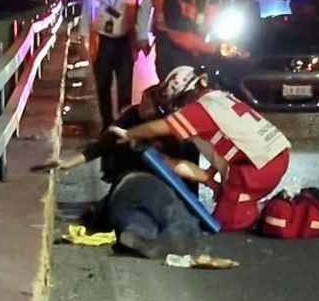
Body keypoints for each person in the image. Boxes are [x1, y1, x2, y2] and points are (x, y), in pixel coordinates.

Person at [32, 85, 201, 258]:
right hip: (144, 184)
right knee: (171, 212)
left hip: (126, 189)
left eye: (147, 104)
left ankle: (136, 234)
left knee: (133, 216)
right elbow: (101, 145)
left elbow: (100, 146)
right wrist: (66, 163)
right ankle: (180, 239)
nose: (141, 106)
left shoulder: (164, 128)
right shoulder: (136, 120)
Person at [120, 66, 291, 232]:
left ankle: (266, 209)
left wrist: (129, 134)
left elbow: (159, 127)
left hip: (259, 167)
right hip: (272, 155)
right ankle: (249, 202)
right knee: (225, 200)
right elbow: (230, 142)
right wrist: (211, 180)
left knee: (224, 224)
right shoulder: (220, 98)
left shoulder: (199, 110)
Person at [79, 0, 138, 130]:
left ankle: (123, 123)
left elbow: (138, 14)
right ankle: (106, 122)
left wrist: (139, 40)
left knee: (125, 84)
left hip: (123, 41)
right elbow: (85, 18)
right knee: (103, 84)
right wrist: (84, 44)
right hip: (102, 41)